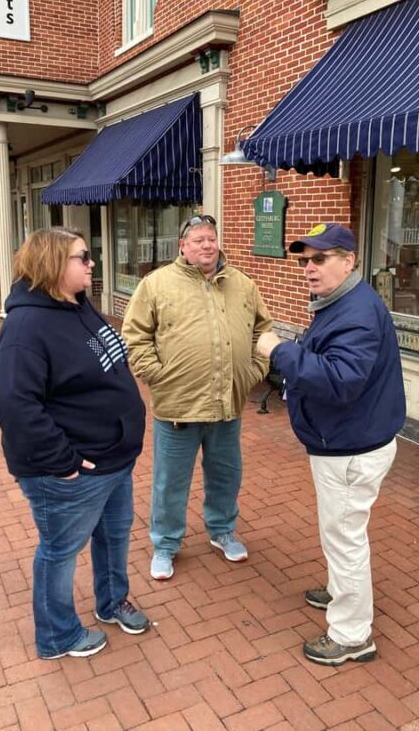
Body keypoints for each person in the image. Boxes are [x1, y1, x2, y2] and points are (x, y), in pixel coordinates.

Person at [0, 227, 149, 660]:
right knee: (60, 552)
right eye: (83, 257)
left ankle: (112, 602)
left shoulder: (77, 305)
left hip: (115, 459)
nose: (92, 263)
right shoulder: (27, 326)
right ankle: (58, 636)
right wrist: (63, 462)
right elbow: (14, 403)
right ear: (54, 264)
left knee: (114, 536)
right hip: (71, 472)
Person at [256, 222, 406, 666]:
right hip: (347, 440)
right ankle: (343, 593)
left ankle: (352, 635)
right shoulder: (342, 303)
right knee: (340, 534)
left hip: (350, 448)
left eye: (320, 259)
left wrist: (279, 351)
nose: (308, 268)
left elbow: (341, 380)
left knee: (344, 540)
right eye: (305, 260)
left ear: (349, 260)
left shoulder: (356, 311)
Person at [122, 214, 272, 581]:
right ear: (183, 247)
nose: (207, 245)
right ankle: (165, 544)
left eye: (211, 238)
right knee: (170, 482)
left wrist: (253, 373)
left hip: (227, 405)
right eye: (198, 239)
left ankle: (222, 530)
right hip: (178, 407)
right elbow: (135, 336)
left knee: (225, 475)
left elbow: (263, 331)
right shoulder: (156, 284)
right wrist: (158, 377)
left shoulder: (242, 284)